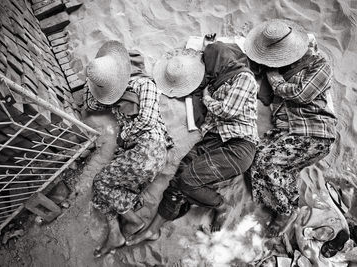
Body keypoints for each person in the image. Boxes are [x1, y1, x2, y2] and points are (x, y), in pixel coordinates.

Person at [126, 41, 259, 246]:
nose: (205, 67)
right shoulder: (215, 84)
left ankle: (222, 206)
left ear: (218, 60)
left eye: (207, 61)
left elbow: (228, 111)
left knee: (187, 181)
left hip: (239, 145)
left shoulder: (244, 77)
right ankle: (153, 230)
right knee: (179, 178)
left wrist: (206, 98)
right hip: (213, 140)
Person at [243, 19, 338, 234]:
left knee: (266, 163)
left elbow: (301, 95)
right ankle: (290, 201)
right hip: (286, 133)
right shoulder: (277, 68)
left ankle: (285, 210)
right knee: (255, 159)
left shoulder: (318, 64)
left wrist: (276, 80)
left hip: (313, 131)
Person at [85, 41, 172, 257]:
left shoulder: (145, 85)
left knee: (100, 182)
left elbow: (148, 121)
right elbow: (92, 104)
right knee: (102, 190)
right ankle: (115, 234)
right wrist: (100, 85)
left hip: (150, 147)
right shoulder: (115, 92)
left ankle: (134, 220)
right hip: (136, 153)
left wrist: (123, 136)